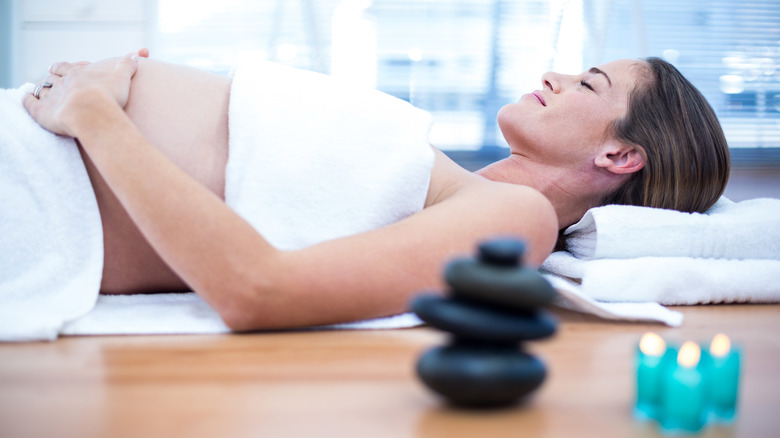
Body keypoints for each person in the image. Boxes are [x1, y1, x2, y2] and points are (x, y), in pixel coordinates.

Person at [21, 49, 730, 331]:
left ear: (621, 153)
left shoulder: (521, 217)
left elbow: (257, 289)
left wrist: (96, 116)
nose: (555, 76)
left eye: (589, 84)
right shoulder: (441, 177)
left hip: (40, 176)